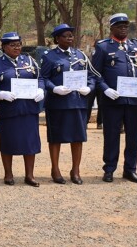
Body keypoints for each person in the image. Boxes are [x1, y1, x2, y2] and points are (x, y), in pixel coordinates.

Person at [91, 13, 137, 184]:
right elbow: (95, 73)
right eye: (119, 26)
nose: (123, 28)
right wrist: (105, 89)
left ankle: (130, 170)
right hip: (112, 100)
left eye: (126, 25)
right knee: (111, 135)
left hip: (134, 101)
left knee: (133, 136)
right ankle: (109, 169)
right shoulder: (103, 47)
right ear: (112, 28)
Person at [41, 24, 97, 185]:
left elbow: (91, 76)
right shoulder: (49, 56)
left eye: (71, 35)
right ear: (57, 39)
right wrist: (54, 88)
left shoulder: (80, 55)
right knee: (56, 137)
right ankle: (55, 169)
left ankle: (76, 170)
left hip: (78, 102)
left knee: (78, 137)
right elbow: (43, 78)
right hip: (57, 103)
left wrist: (89, 87)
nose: (70, 38)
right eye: (66, 36)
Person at [0, 32, 45, 187]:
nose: (17, 47)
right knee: (8, 142)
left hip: (28, 109)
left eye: (19, 44)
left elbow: (39, 78)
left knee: (30, 142)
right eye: (12, 45)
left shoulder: (29, 60)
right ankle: (8, 174)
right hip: (9, 109)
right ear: (4, 47)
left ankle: (30, 175)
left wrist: (41, 90)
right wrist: (0, 94)